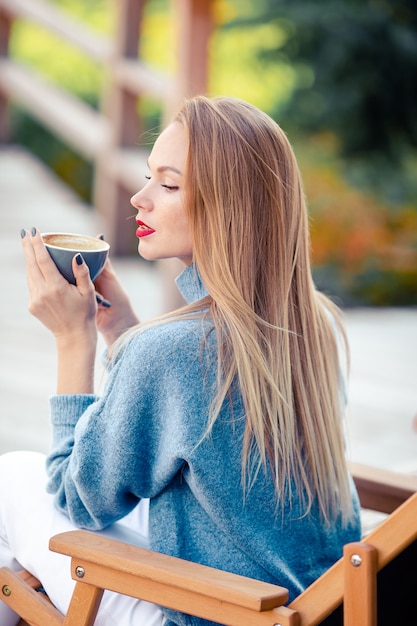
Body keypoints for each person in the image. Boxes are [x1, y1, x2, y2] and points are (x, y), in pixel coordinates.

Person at [0, 95, 361, 626]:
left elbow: (77, 499)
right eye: (148, 178)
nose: (140, 199)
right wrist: (120, 331)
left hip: (202, 612)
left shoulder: (172, 352)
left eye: (168, 185)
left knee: (12, 478)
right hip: (300, 606)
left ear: (228, 208)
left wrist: (73, 341)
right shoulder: (317, 326)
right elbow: (205, 445)